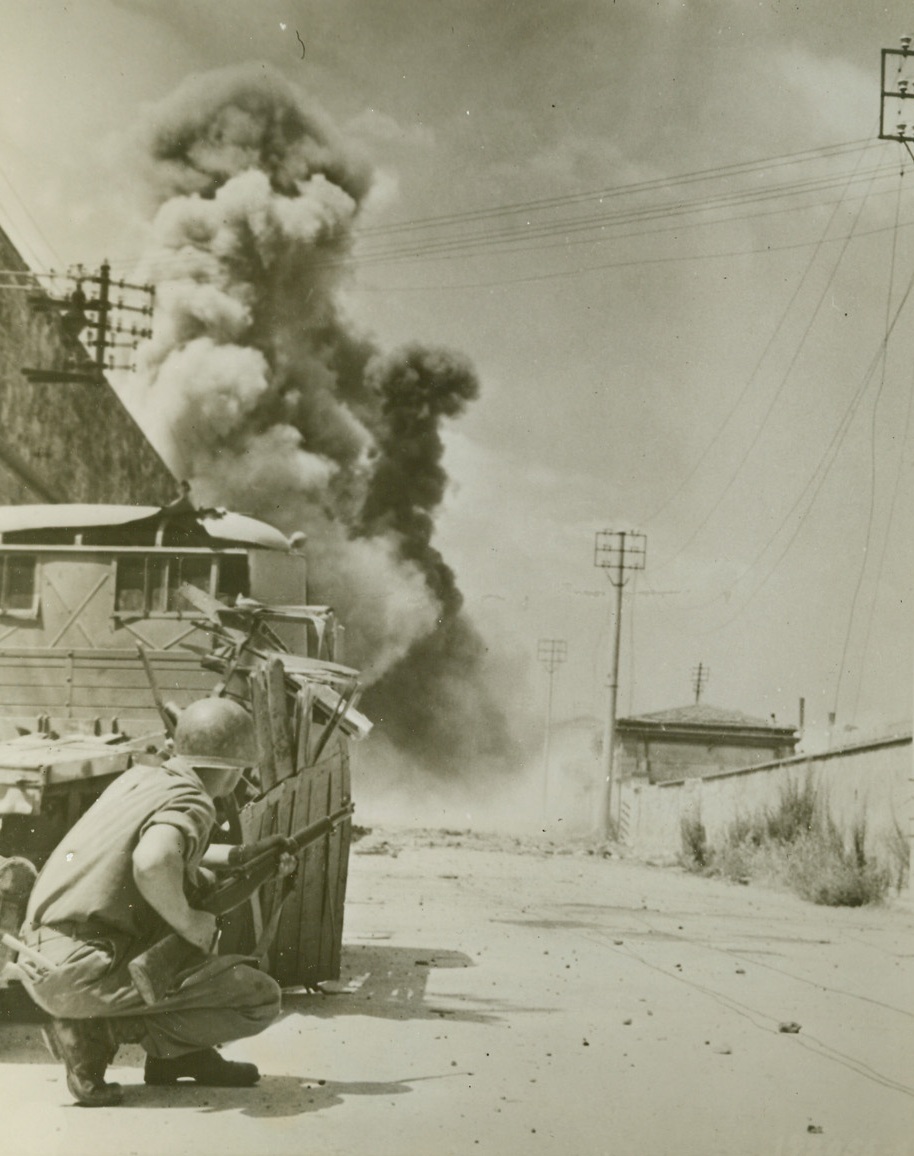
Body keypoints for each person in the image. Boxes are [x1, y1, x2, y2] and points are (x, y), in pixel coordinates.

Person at [18, 697, 287, 1107]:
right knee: (259, 999)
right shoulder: (195, 801)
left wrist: (239, 857)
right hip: (81, 970)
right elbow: (153, 861)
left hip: (42, 955)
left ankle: (179, 1058)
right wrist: (188, 922)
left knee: (197, 891)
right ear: (234, 771)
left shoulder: (142, 779)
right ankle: (94, 1036)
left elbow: (157, 851)